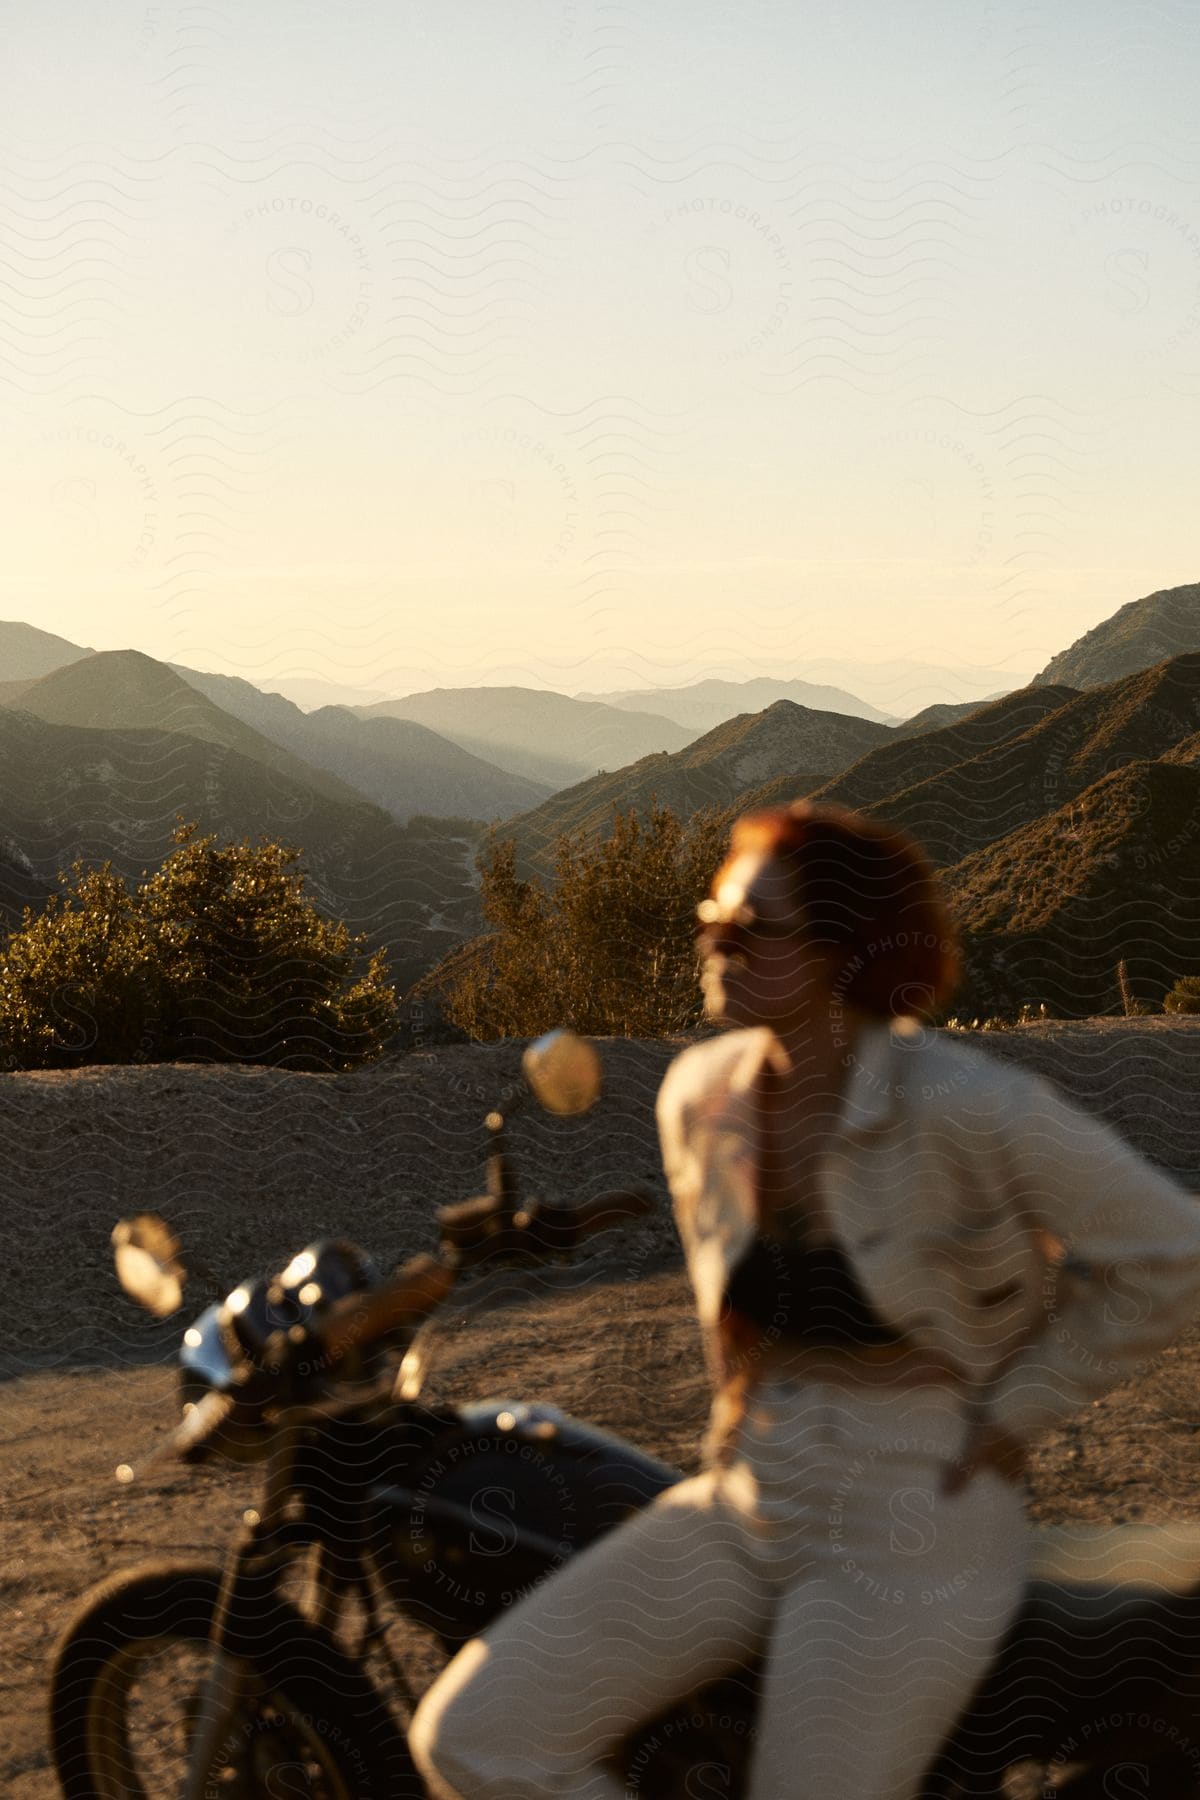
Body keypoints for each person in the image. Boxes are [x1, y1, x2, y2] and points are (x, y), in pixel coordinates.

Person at [409, 801, 1200, 1800]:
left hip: (914, 1516)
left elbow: (1175, 1251)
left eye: (748, 930)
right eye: (710, 918)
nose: (712, 940)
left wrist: (1019, 1408)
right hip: (752, 1493)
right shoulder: (697, 1095)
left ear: (841, 954)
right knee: (475, 1739)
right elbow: (728, 1302)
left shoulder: (962, 1105)